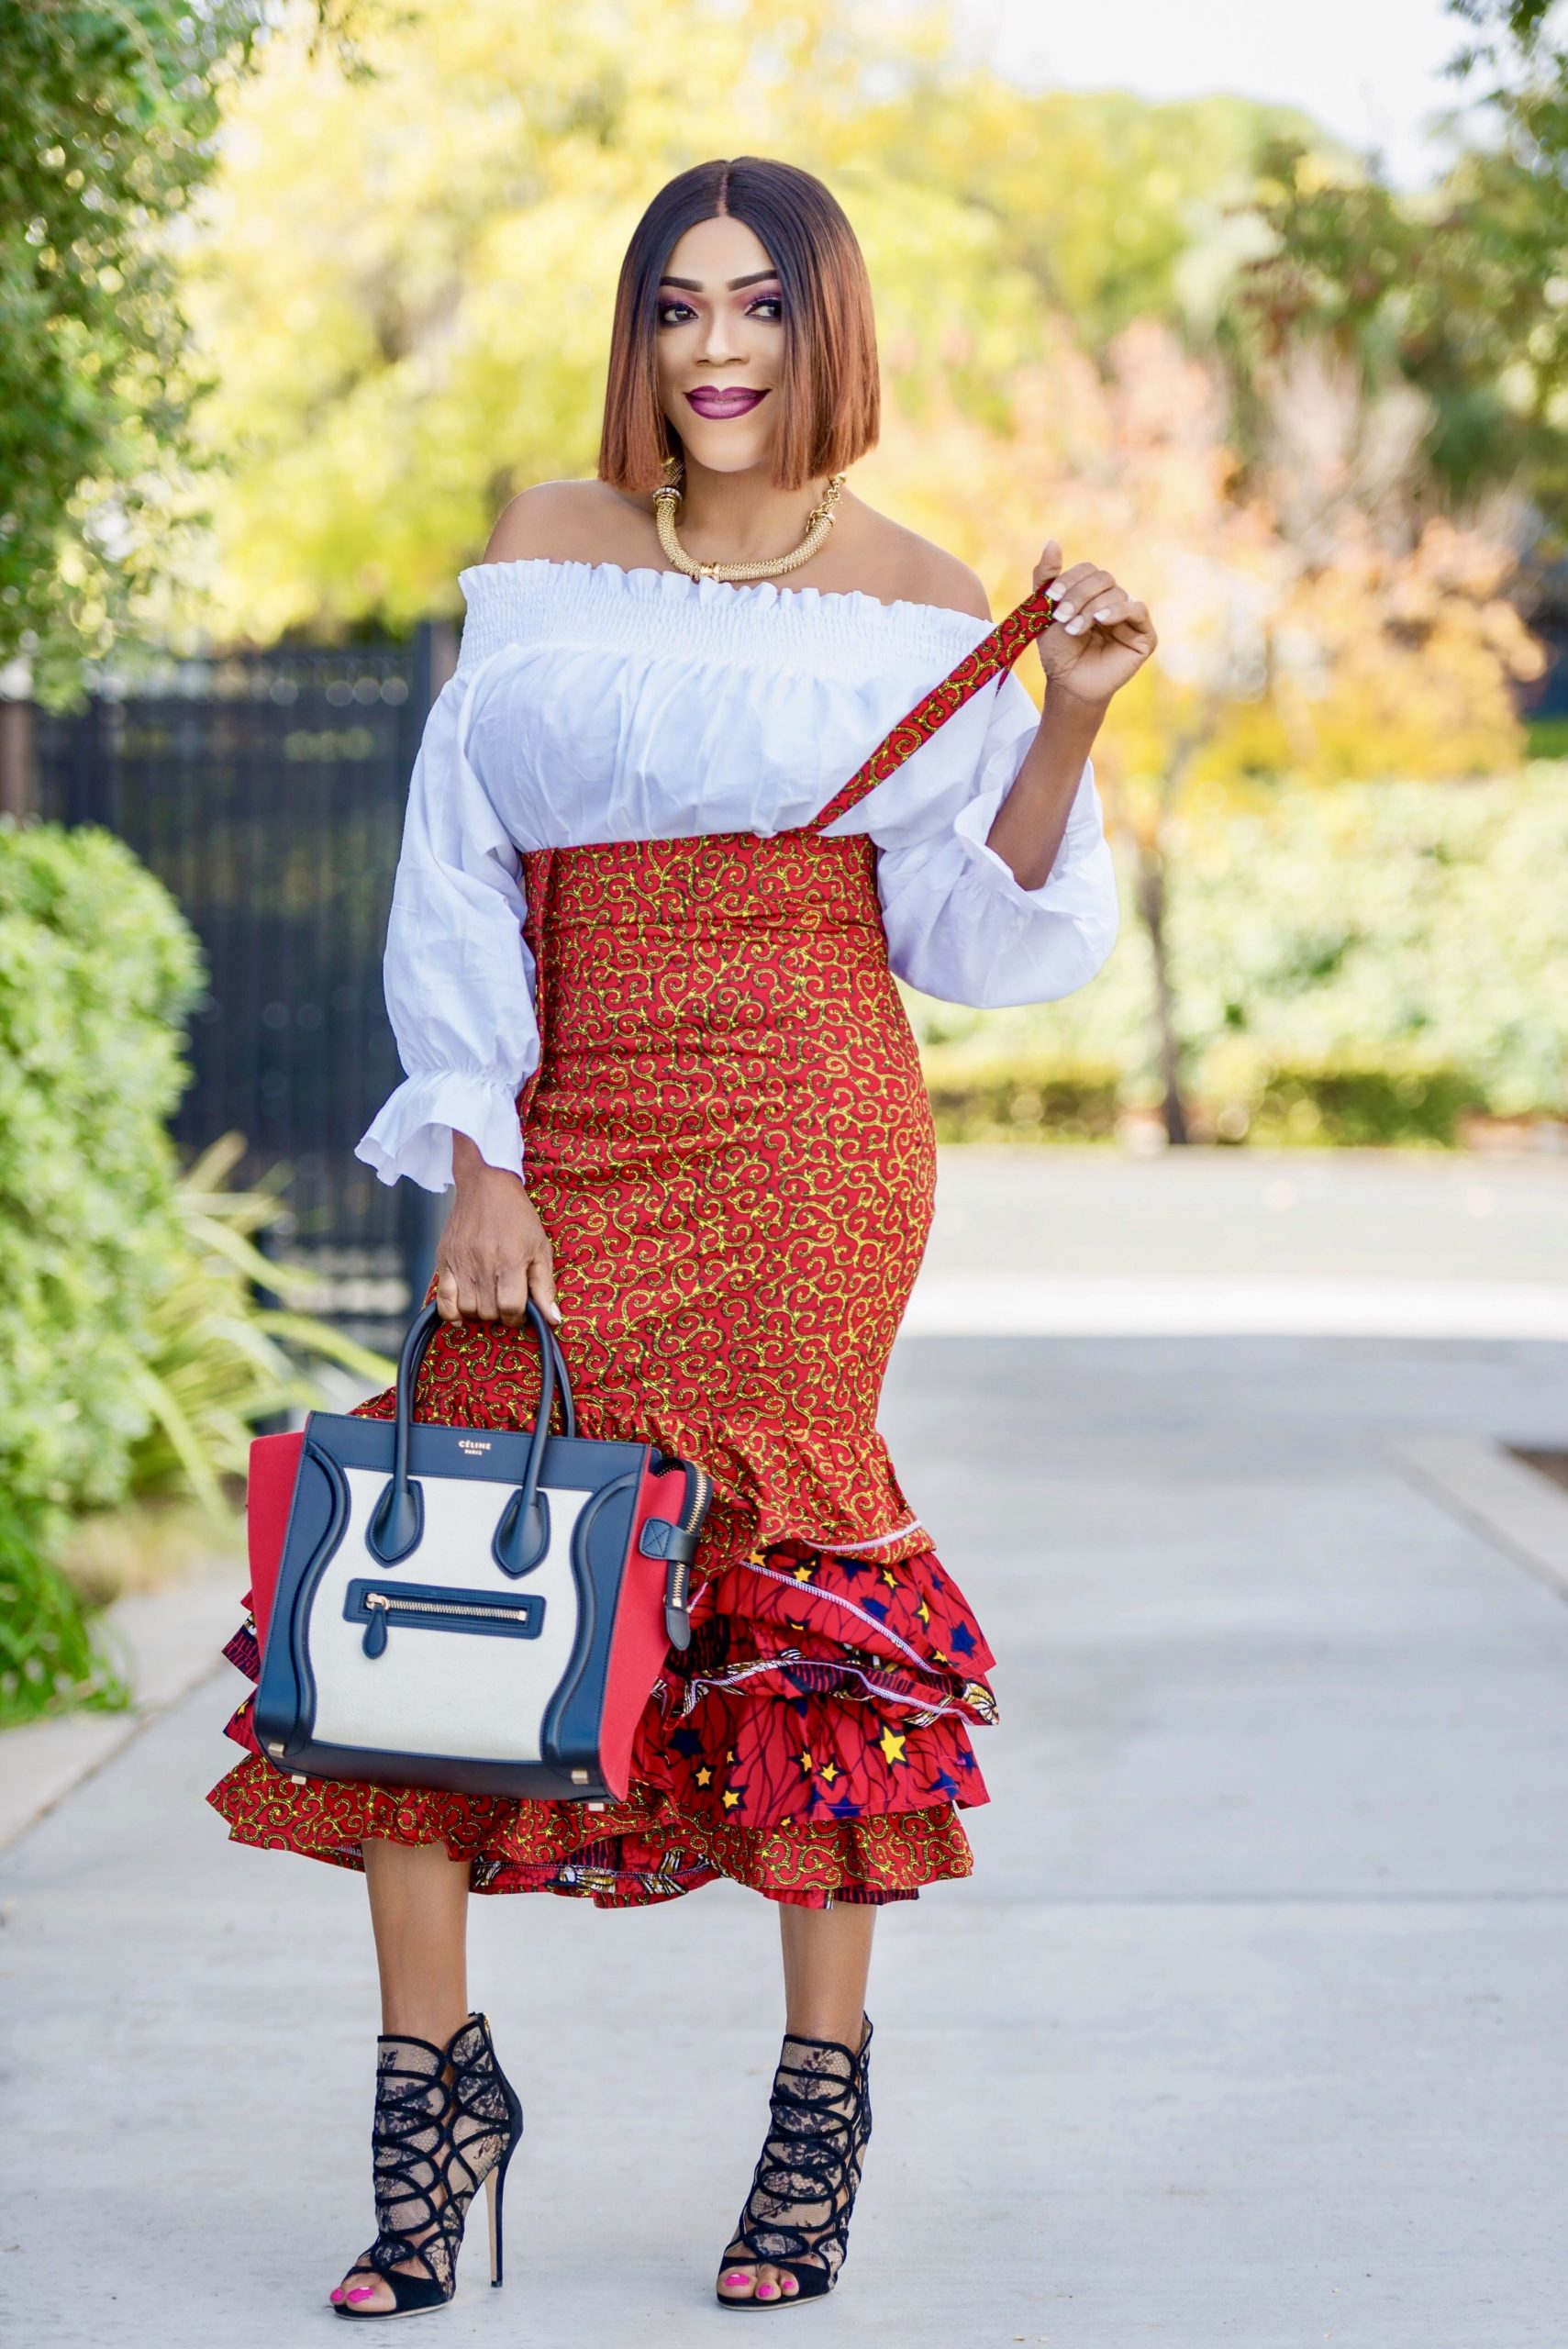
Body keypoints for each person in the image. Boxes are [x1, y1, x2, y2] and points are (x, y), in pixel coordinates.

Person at [206, 154, 1154, 2320]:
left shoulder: (924, 594)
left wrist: (1074, 707)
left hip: (811, 1122)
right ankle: (432, 2099)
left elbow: (976, 922)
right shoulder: (546, 544)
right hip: (559, 1119)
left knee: (806, 1594)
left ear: (830, 331)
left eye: (758, 307)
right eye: (676, 309)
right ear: (637, 338)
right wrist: (480, 1147)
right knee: (436, 1574)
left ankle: (818, 2102)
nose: (716, 349)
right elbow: (458, 858)